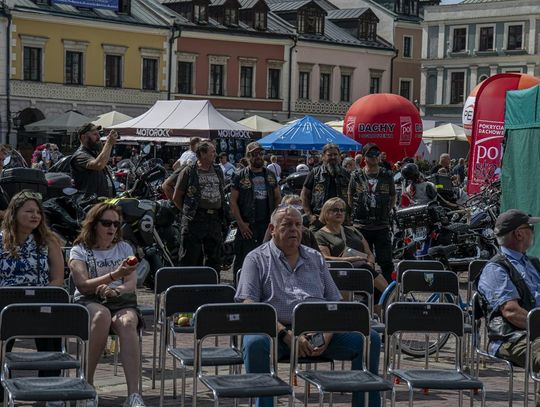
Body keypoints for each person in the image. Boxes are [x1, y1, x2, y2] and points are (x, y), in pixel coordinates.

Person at [236, 205, 382, 407]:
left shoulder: (315, 257)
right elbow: (249, 303)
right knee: (254, 344)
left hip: (319, 331)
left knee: (369, 339)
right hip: (276, 333)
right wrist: (286, 335)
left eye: (298, 225)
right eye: (287, 225)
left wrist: (328, 332)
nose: (294, 230)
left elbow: (335, 301)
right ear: (272, 229)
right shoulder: (256, 258)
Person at [69, 203, 144, 407]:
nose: (112, 228)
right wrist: (113, 276)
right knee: (101, 316)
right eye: (106, 223)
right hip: (89, 299)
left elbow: (131, 283)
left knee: (128, 322)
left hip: (120, 299)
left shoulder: (124, 248)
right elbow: (83, 285)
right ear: (94, 224)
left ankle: (133, 395)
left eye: (116, 224)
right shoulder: (79, 250)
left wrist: (116, 290)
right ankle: (87, 385)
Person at [0, 190, 65, 407]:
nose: (35, 215)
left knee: (53, 321)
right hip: (6, 301)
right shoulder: (1, 240)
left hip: (40, 299)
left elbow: (58, 279)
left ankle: (51, 389)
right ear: (14, 213)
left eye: (38, 212)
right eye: (29, 211)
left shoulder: (49, 241)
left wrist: (42, 295)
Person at [477, 209, 540, 403]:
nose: (533, 232)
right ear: (519, 234)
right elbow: (511, 312)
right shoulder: (495, 269)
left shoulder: (532, 263)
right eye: (530, 228)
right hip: (511, 337)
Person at [173, 140, 225, 276]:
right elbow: (176, 196)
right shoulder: (189, 171)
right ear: (202, 153)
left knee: (214, 257)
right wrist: (187, 211)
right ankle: (187, 286)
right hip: (195, 219)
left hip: (214, 219)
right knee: (190, 256)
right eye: (212, 152)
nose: (215, 154)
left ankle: (212, 284)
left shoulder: (218, 170)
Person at [315, 198, 388, 295]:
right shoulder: (320, 235)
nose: (339, 212)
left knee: (369, 272)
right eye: (335, 210)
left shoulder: (353, 230)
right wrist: (352, 259)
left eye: (342, 210)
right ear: (326, 213)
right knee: (363, 268)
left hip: (366, 269)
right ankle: (391, 295)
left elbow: (369, 253)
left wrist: (370, 263)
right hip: (341, 272)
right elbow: (325, 258)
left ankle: (390, 297)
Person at [230, 142, 280, 281]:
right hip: (247, 225)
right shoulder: (240, 175)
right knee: (243, 260)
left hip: (266, 225)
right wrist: (241, 224)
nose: (259, 156)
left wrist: (275, 220)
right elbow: (233, 201)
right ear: (248, 156)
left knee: (267, 260)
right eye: (255, 154)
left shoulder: (270, 175)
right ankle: (239, 289)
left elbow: (277, 197)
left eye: (261, 154)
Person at [348, 143, 396, 284]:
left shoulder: (387, 175)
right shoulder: (356, 175)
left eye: (376, 154)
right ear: (364, 157)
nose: (374, 157)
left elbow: (393, 195)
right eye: (370, 155)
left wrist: (387, 210)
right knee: (363, 260)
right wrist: (354, 211)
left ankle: (387, 290)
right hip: (361, 226)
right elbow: (350, 195)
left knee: (386, 262)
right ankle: (364, 288)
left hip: (381, 225)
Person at [301, 143, 350, 231]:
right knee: (314, 239)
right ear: (323, 156)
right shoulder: (315, 173)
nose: (333, 157)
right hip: (319, 220)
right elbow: (304, 195)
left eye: (335, 154)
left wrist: (350, 216)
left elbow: (352, 196)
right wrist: (309, 215)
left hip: (341, 220)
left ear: (339, 157)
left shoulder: (346, 174)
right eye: (329, 155)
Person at [71, 123, 117, 198]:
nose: (99, 137)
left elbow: (102, 159)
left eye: (99, 134)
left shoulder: (93, 153)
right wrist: (109, 143)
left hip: (101, 200)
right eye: (95, 134)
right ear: (83, 137)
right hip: (88, 202)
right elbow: (98, 165)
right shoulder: (80, 155)